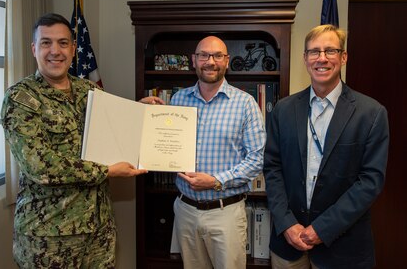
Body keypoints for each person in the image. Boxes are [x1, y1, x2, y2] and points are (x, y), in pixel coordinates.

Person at [1, 13, 147, 268]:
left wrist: (141, 112)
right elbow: (40, 166)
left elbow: (113, 127)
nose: (55, 51)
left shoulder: (89, 91)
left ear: (73, 49)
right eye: (46, 43)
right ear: (34, 48)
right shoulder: (20, 98)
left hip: (98, 231)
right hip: (49, 236)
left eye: (63, 43)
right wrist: (107, 171)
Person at [263, 24, 389, 269]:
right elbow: (272, 168)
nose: (322, 58)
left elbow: (370, 181)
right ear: (305, 59)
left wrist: (322, 228)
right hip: (288, 244)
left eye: (330, 50)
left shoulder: (371, 113)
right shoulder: (284, 110)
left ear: (343, 57)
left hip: (344, 248)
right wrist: (286, 223)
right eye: (314, 51)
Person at [165, 36, 265, 269]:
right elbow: (165, 144)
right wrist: (146, 115)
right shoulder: (178, 100)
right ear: (194, 60)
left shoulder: (245, 103)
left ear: (227, 61)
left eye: (217, 55)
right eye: (204, 55)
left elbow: (256, 159)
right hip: (185, 210)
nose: (210, 61)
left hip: (225, 213)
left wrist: (216, 181)